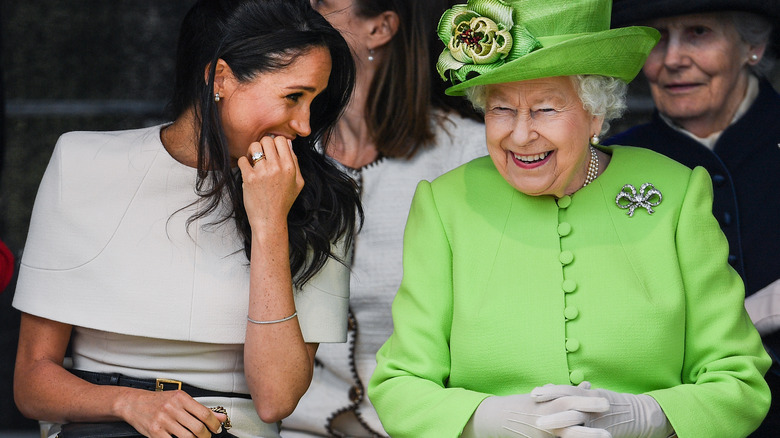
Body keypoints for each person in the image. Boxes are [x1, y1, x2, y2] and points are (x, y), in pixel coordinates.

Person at [367, 0, 772, 437]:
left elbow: (739, 379)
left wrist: (651, 417)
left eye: (545, 109)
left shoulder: (676, 192)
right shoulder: (445, 203)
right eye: (501, 109)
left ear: (594, 113)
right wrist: (484, 421)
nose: (520, 135)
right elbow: (399, 385)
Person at [12, 0, 361, 437]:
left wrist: (270, 223)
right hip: (100, 421)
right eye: (293, 97)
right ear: (220, 77)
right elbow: (31, 384)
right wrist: (129, 404)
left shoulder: (322, 200)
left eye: (314, 100)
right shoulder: (82, 163)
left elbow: (275, 398)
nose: (306, 125)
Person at [281, 1, 485, 436]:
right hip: (298, 422)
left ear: (381, 27)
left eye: (326, 3)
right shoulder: (287, 149)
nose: (305, 9)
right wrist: (333, 416)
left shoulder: (468, 155)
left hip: (429, 424)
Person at [605, 1, 780, 435]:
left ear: (752, 47)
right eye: (657, 38)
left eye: (699, 32)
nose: (673, 59)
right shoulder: (610, 163)